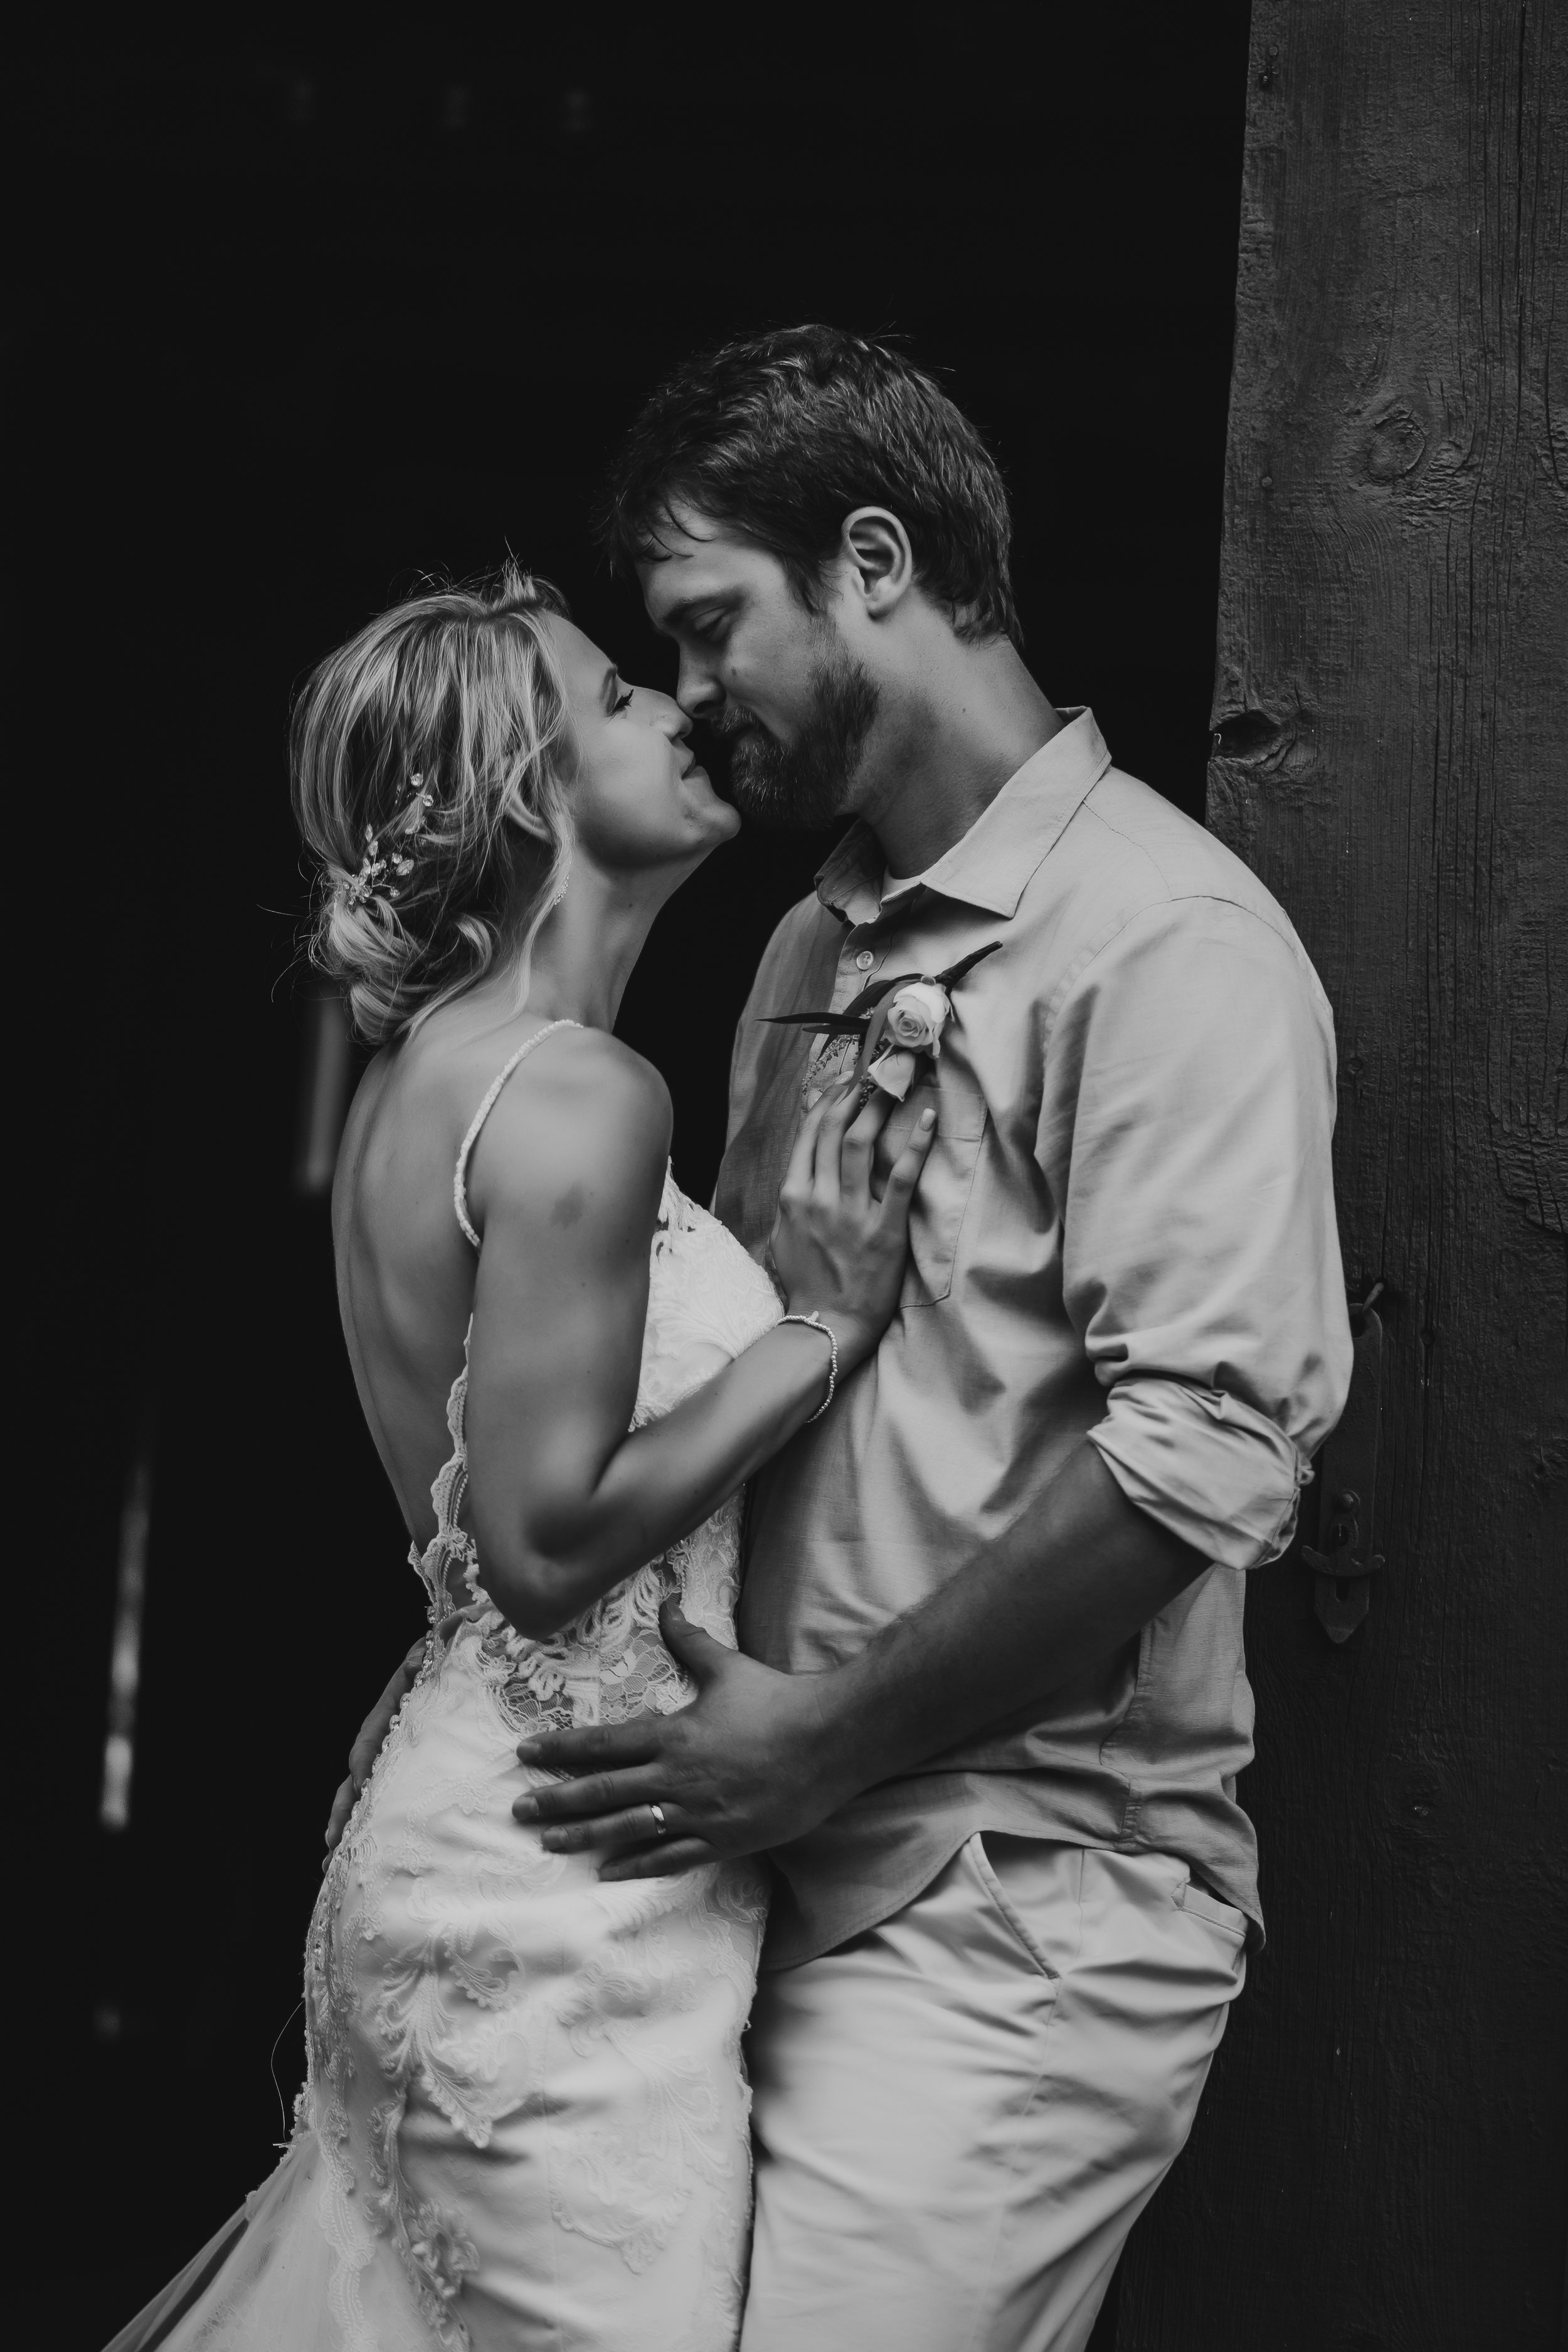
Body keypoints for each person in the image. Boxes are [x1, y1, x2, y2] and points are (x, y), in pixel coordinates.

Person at [500, 329, 1356, 2352]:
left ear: (871, 561)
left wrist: (810, 1741)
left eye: (710, 629)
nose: (692, 701)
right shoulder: (805, 943)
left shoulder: (1171, 941)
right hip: (747, 1892)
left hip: (1009, 1910)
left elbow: (1201, 1457)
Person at [102, 566, 933, 2352]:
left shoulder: (429, 1079)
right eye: (622, 699)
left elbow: (477, 1540)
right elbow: (545, 1551)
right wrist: (822, 1325)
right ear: (539, 794)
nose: (677, 705)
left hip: (500, 1835)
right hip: (561, 1902)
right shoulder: (574, 1092)